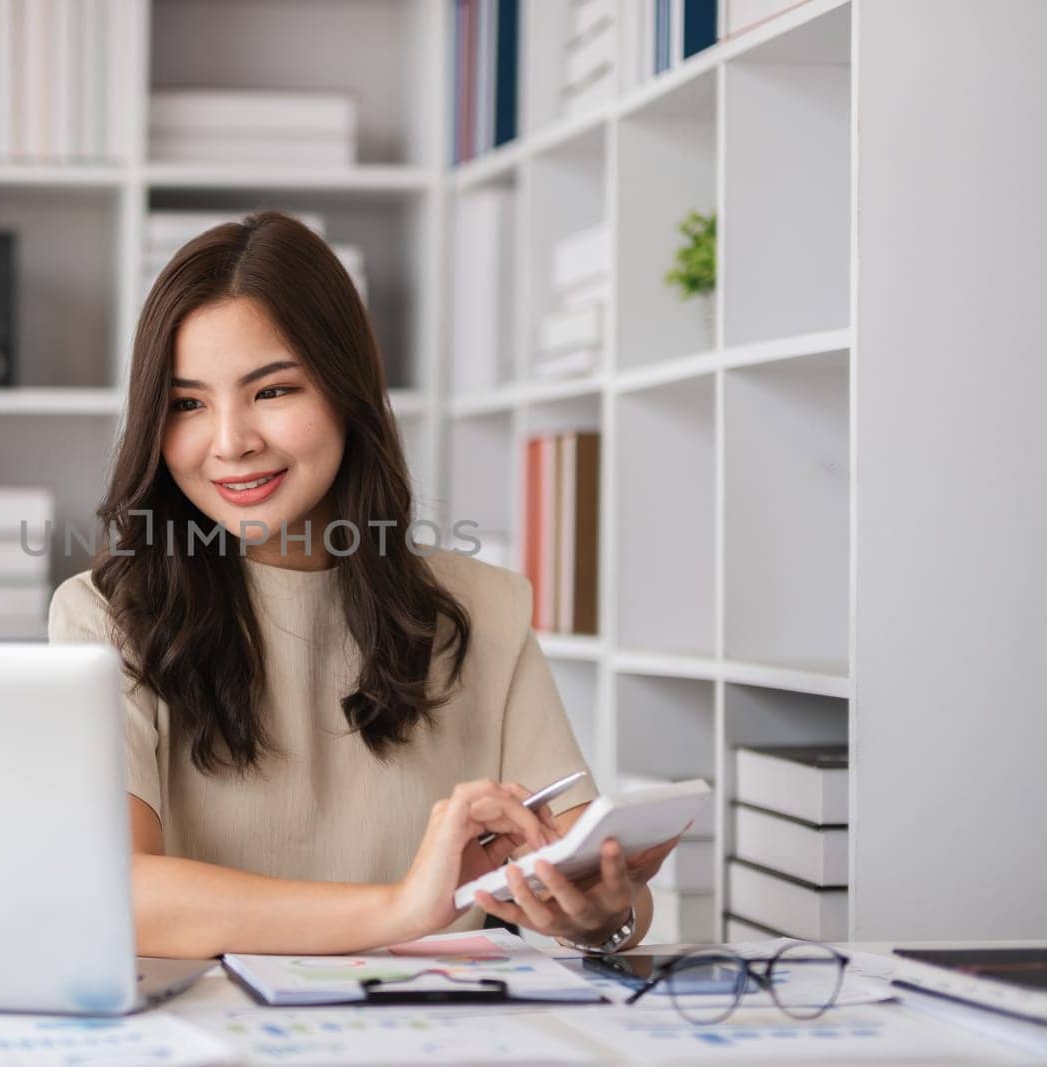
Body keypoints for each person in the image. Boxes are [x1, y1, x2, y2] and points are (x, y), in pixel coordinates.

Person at [48, 210, 677, 958]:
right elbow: (120, 888)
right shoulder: (105, 618)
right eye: (187, 404)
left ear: (347, 391)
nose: (230, 442)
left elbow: (599, 881)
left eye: (273, 391)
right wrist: (404, 907)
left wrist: (605, 913)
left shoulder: (481, 611)